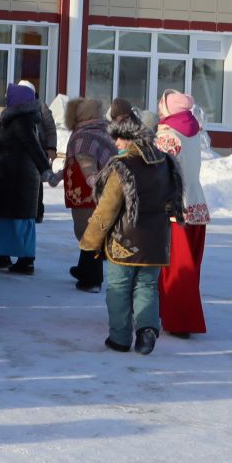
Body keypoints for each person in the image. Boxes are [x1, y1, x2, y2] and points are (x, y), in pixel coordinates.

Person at [80, 115, 184, 355]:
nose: (115, 144)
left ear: (131, 139)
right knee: (147, 285)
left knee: (119, 287)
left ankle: (119, 338)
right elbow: (173, 199)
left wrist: (90, 242)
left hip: (124, 240)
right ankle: (147, 330)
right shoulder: (166, 162)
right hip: (156, 239)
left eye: (119, 138)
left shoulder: (122, 167)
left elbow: (108, 208)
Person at [154, 91, 210, 338]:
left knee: (176, 270)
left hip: (174, 208)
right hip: (197, 206)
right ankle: (184, 316)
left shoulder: (167, 135)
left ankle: (180, 321)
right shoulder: (195, 132)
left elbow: (158, 172)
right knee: (191, 270)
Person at [0, 83, 52, 275]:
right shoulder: (16, 120)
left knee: (18, 221)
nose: (6, 98)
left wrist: (45, 169)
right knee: (0, 217)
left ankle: (25, 260)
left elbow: (34, 147)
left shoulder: (21, 121)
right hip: (10, 178)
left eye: (9, 96)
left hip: (17, 181)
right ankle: (2, 255)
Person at [60, 97, 114, 293]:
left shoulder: (85, 135)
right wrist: (59, 175)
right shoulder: (103, 130)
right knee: (90, 230)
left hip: (86, 192)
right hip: (98, 191)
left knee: (89, 233)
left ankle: (92, 280)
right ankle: (83, 269)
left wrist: (92, 179)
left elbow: (85, 160)